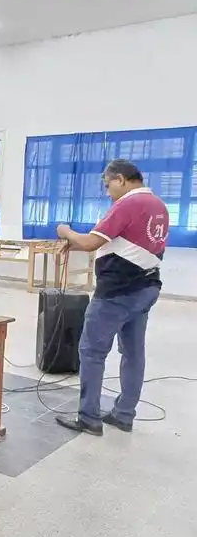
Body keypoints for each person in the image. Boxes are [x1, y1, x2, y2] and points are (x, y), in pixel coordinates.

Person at [55, 159, 169, 435]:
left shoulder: (128, 204)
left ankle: (89, 418)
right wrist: (76, 244)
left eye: (108, 185)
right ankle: (124, 414)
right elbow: (125, 244)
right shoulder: (158, 205)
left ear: (120, 179)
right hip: (146, 287)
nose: (108, 192)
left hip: (117, 292)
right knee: (133, 352)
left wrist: (65, 231)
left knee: (92, 352)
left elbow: (91, 242)